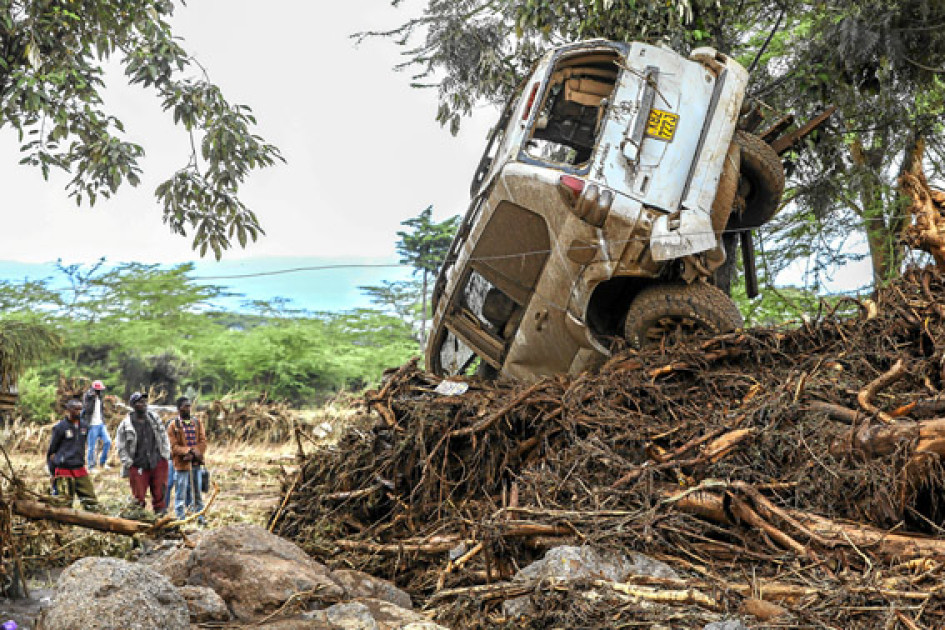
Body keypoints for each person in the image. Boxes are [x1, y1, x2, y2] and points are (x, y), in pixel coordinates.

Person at [115, 392, 171, 514]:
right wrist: (128, 462)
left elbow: (163, 435)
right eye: (140, 402)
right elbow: (120, 446)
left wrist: (166, 454)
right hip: (138, 464)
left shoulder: (154, 419)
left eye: (144, 402)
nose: (144, 404)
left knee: (160, 493)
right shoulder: (125, 425)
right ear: (133, 405)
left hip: (157, 461)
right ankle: (139, 519)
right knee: (138, 498)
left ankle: (161, 517)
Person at [46, 399, 97, 508]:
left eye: (80, 409)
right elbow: (51, 451)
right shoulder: (60, 427)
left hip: (79, 467)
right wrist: (52, 472)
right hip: (64, 469)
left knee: (91, 501)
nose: (78, 412)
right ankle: (64, 524)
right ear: (68, 410)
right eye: (75, 409)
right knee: (63, 503)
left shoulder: (84, 426)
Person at [167, 396, 208, 523]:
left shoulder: (197, 422)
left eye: (189, 406)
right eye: (186, 406)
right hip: (181, 465)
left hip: (196, 463)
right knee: (180, 494)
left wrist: (195, 453)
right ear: (179, 409)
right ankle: (181, 519)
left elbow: (203, 441)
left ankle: (199, 517)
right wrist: (187, 451)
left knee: (197, 493)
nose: (189, 408)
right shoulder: (173, 426)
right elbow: (173, 447)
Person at [82, 380, 111, 472]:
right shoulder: (87, 397)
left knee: (108, 442)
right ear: (93, 389)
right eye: (97, 390)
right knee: (92, 447)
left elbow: (101, 410)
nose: (99, 392)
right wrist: (92, 398)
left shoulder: (100, 397)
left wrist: (103, 420)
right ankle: (91, 466)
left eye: (100, 390)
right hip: (92, 425)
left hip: (100, 424)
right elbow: (87, 410)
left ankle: (103, 462)